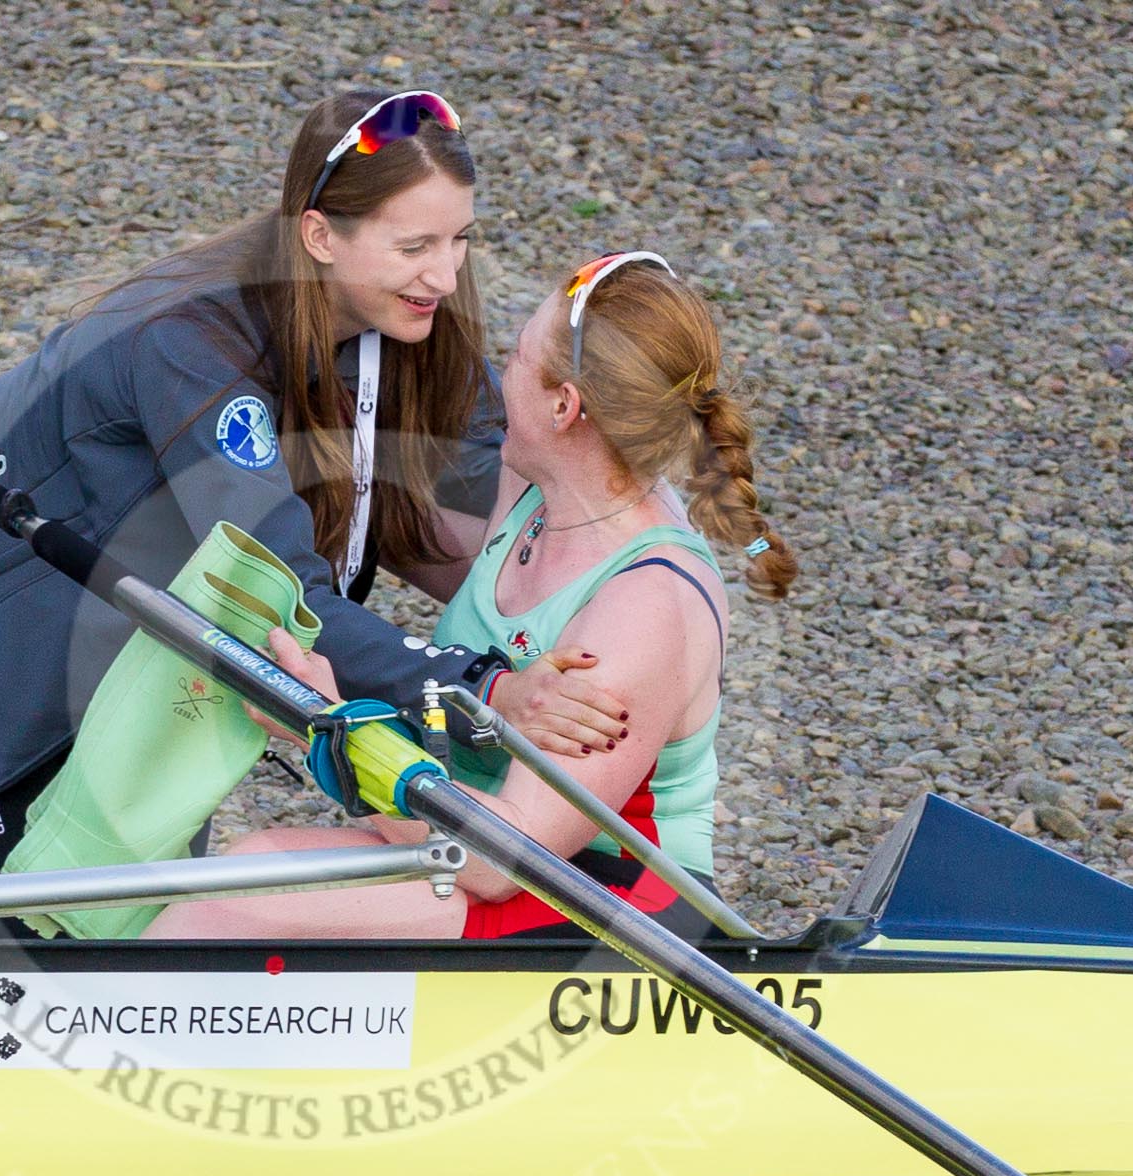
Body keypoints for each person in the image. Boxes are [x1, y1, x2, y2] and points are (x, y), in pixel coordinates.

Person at [0, 90, 628, 909]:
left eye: (460, 239)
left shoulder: (402, 318)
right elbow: (277, 594)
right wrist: (485, 687)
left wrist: (647, 563)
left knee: (132, 899)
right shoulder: (189, 340)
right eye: (414, 246)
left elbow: (524, 477)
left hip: (128, 594)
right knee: (22, 917)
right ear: (320, 234)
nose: (444, 274)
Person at [142, 251, 799, 941]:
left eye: (516, 356)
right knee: (251, 873)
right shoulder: (548, 486)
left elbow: (497, 862)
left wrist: (326, 727)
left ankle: (92, 1038)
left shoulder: (643, 610)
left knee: (241, 902)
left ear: (564, 405)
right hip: (497, 843)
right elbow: (442, 549)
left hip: (607, 908)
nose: (498, 375)